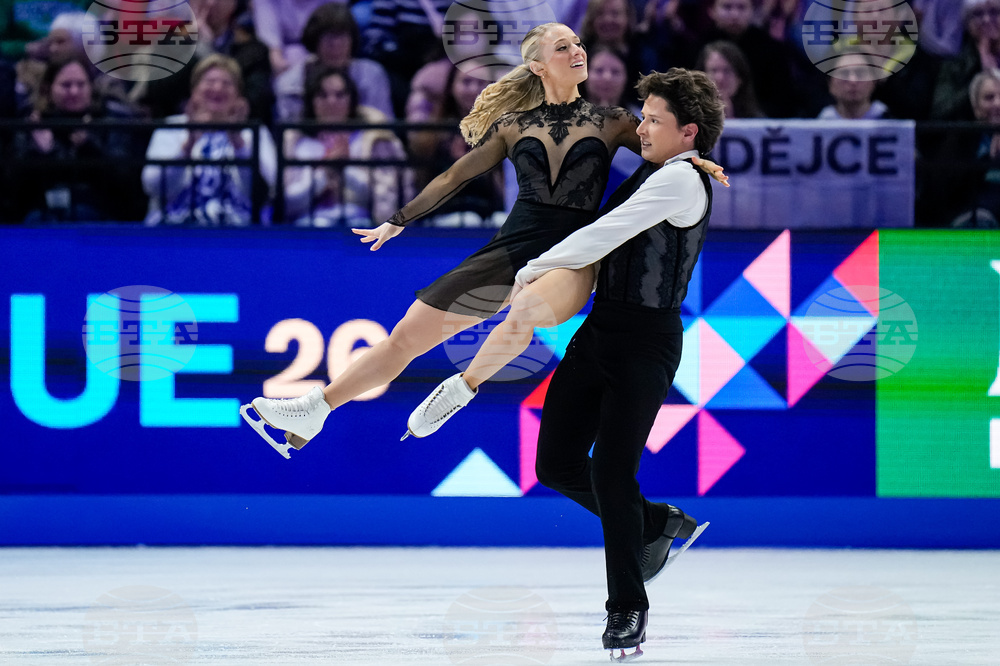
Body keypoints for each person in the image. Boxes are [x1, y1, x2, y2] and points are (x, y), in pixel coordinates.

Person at [239, 22, 726, 457]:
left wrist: (696, 158)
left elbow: (660, 154)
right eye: (563, 46)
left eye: (577, 42)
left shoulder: (612, 121)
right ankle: (315, 407)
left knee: (527, 309)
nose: (578, 50)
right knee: (405, 338)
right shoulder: (514, 126)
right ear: (537, 65)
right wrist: (399, 219)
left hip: (571, 254)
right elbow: (455, 176)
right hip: (511, 244)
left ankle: (463, 387)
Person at [408, 68, 724, 659]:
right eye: (643, 116)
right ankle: (655, 524)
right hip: (601, 330)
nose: (642, 127)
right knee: (554, 464)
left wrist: (531, 271)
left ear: (689, 133)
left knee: (610, 471)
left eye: (655, 120)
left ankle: (627, 608)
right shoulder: (661, 169)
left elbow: (605, 232)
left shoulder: (679, 181)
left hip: (647, 343)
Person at [142, 54, 277, 226]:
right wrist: (188, 144)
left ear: (238, 95)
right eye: (210, 81)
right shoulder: (171, 128)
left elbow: (265, 191)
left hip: (239, 234)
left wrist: (237, 141)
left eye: (227, 83)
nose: (218, 88)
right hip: (173, 230)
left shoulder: (255, 133)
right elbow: (153, 186)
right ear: (194, 90)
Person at [9, 56, 135, 222]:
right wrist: (43, 153)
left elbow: (124, 180)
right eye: (66, 85)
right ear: (48, 89)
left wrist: (87, 147)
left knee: (81, 214)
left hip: (99, 211)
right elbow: (13, 186)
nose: (74, 91)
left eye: (81, 84)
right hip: (42, 210)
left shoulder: (109, 121)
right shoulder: (34, 124)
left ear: (91, 87)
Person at [283, 67, 409, 226]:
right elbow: (286, 204)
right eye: (322, 95)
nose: (331, 101)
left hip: (362, 225)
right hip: (308, 227)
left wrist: (345, 169)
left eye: (340, 95)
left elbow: (385, 201)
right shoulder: (297, 144)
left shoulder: (373, 140)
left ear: (351, 100)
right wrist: (323, 173)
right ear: (311, 101)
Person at [276, 2, 393, 121]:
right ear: (314, 40)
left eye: (342, 36)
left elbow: (383, 126)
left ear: (353, 40)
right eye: (329, 37)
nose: (336, 45)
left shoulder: (372, 76)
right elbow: (289, 135)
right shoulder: (290, 84)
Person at [696, 40, 764, 118]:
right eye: (713, 70)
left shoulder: (756, 120)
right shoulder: (686, 116)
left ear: (740, 79)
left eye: (727, 71)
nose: (720, 78)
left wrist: (730, 118)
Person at [817, 53, 891, 121]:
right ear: (830, 83)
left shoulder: (889, 119)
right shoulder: (820, 124)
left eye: (860, 73)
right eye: (844, 74)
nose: (853, 81)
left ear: (874, 81)